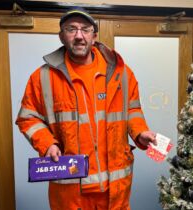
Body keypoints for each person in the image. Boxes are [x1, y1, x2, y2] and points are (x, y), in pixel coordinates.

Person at [16, 7, 157, 210]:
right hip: (71, 192)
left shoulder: (122, 74)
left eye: (85, 29)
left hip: (115, 190)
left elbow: (133, 110)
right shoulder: (42, 77)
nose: (79, 36)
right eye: (71, 29)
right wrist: (47, 144)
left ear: (94, 36)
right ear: (61, 36)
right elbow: (27, 118)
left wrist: (140, 132)